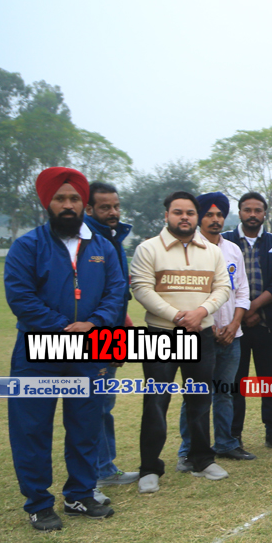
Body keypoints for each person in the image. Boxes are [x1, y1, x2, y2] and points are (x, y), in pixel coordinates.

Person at [6, 167, 126, 529]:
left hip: (90, 347)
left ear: (83, 204)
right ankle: (39, 503)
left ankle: (79, 495)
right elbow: (20, 296)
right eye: (60, 198)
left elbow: (116, 291)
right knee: (32, 428)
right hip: (39, 349)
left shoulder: (102, 247)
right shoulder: (28, 245)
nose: (68, 205)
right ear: (48, 202)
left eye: (75, 198)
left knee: (85, 425)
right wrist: (61, 327)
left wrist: (94, 324)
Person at [131, 190, 231, 492]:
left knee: (199, 399)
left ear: (195, 216)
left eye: (189, 212)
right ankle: (150, 468)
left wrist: (200, 312)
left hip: (200, 333)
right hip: (161, 334)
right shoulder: (148, 249)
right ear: (167, 215)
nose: (184, 217)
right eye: (178, 212)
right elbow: (142, 289)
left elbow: (223, 287)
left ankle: (201, 460)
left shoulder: (211, 251)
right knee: (156, 401)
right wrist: (177, 316)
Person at [177, 193, 252, 468]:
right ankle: (188, 451)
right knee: (195, 394)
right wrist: (208, 326)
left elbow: (242, 291)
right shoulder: (187, 249)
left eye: (219, 214)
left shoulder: (232, 250)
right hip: (199, 334)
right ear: (199, 217)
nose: (215, 219)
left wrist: (234, 324)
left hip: (232, 335)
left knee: (224, 391)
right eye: (209, 214)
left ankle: (225, 443)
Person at [223, 191, 272, 452]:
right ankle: (233, 436)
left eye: (258, 210)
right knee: (235, 383)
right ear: (240, 212)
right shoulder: (225, 241)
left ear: (264, 213)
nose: (252, 215)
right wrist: (240, 313)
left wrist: (251, 307)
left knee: (270, 382)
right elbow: (219, 281)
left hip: (266, 324)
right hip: (233, 326)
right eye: (247, 210)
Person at [83, 180, 137, 490]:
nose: (113, 212)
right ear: (88, 209)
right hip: (94, 334)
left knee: (104, 404)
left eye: (116, 206)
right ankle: (94, 472)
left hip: (112, 331)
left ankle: (104, 467)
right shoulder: (89, 240)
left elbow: (117, 293)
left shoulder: (113, 238)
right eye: (105, 207)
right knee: (93, 406)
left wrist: (124, 322)